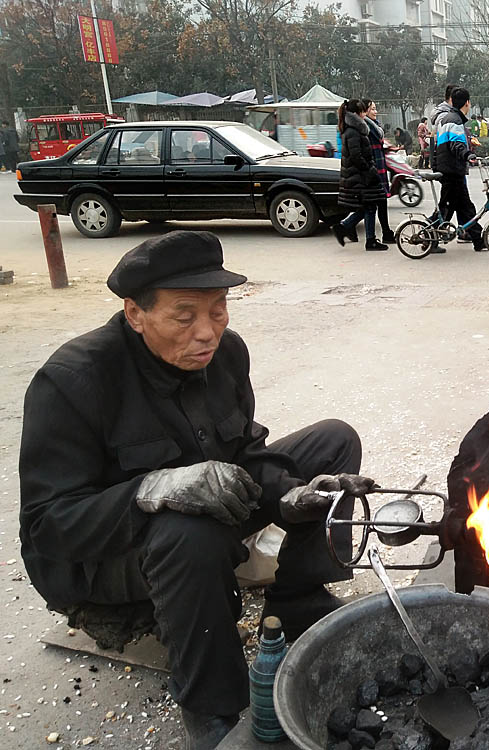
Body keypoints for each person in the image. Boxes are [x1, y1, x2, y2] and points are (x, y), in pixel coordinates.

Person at [18, 230, 374, 750]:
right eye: (184, 316)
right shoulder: (74, 380)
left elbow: (246, 452)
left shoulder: (226, 353)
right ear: (135, 313)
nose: (206, 332)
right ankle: (209, 706)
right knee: (190, 534)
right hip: (106, 557)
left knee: (334, 441)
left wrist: (290, 495)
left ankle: (297, 601)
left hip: (209, 514)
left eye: (218, 310)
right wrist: (152, 488)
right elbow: (48, 527)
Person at [435, 87, 487, 253]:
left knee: (465, 208)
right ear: (467, 103)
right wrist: (467, 154)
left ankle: (478, 240)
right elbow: (456, 144)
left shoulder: (448, 119)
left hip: (449, 169)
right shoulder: (455, 121)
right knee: (446, 209)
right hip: (452, 170)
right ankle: (428, 238)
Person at [333, 99, 387, 251]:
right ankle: (369, 240)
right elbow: (356, 156)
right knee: (369, 207)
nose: (365, 114)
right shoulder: (353, 131)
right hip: (360, 177)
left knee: (367, 207)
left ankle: (344, 227)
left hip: (359, 176)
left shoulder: (355, 129)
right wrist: (370, 170)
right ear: (356, 114)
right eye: (363, 111)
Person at [361, 99, 395, 246]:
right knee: (371, 206)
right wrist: (371, 169)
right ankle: (346, 227)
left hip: (379, 167)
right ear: (365, 111)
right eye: (373, 109)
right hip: (373, 169)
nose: (376, 112)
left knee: (381, 202)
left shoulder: (374, 126)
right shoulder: (365, 127)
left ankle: (386, 232)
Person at [428, 83, 456, 172]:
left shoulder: (450, 113)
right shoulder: (444, 116)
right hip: (448, 164)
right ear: (451, 99)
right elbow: (445, 141)